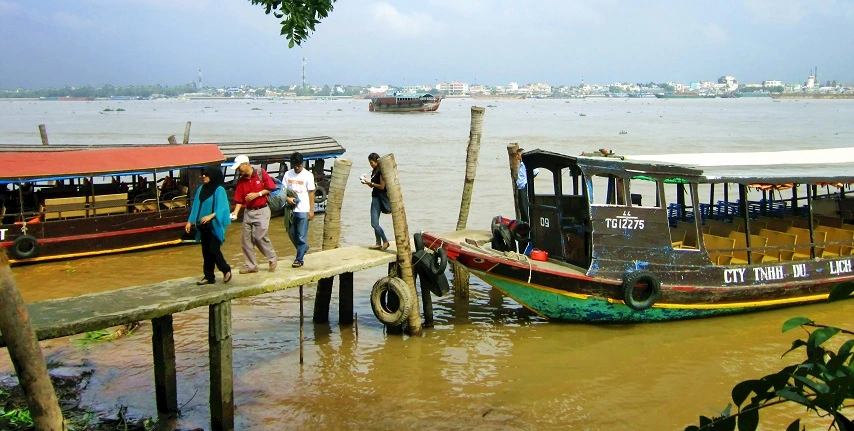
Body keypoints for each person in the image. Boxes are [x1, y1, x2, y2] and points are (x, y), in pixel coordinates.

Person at [230, 154, 278, 273]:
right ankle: (251, 265)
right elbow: (239, 199)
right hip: (248, 212)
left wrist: (258, 194)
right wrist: (235, 213)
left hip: (262, 210)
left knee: (259, 236)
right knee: (246, 240)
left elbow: (271, 187)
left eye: (239, 167)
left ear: (246, 164)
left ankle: (272, 258)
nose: (238, 170)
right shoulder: (241, 180)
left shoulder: (261, 173)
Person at [185, 166, 232, 285]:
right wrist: (190, 221)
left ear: (213, 175)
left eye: (206, 174)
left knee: (213, 249)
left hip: (214, 224)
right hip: (203, 226)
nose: (203, 176)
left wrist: (210, 216)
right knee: (206, 251)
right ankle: (209, 276)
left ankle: (226, 269)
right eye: (203, 174)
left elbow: (223, 208)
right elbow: (196, 206)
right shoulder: (201, 189)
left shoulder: (219, 190)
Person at [284, 152, 315, 267]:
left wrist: (311, 210)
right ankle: (304, 248)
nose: (298, 168)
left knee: (301, 235)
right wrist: (288, 199)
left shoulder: (308, 175)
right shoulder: (288, 175)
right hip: (291, 210)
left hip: (303, 209)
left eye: (299, 165)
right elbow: (282, 191)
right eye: (295, 165)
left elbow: (312, 193)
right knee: (291, 233)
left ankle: (299, 259)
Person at [362, 153, 389, 250]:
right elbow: (373, 185)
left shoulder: (381, 172)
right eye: (370, 163)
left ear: (377, 161)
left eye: (372, 162)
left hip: (379, 198)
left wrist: (371, 183)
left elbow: (382, 186)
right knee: (375, 222)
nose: (371, 164)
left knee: (374, 223)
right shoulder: (374, 171)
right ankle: (378, 243)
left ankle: (385, 241)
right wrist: (367, 182)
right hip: (375, 197)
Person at [515, 148, 531, 223]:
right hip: (520, 187)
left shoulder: (525, 163)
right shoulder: (521, 164)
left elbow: (535, 171)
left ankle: (526, 222)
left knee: (524, 206)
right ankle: (523, 222)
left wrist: (528, 179)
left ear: (521, 155)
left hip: (524, 186)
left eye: (517, 154)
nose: (516, 156)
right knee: (521, 206)